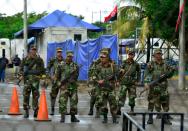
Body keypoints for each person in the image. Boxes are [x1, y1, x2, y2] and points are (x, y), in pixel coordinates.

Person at [144, 49, 175, 125]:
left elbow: (169, 76)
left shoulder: (166, 64)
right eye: (157, 54)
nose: (158, 55)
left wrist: (172, 71)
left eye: (160, 54)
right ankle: (150, 118)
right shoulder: (150, 64)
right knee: (151, 102)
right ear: (154, 55)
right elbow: (146, 74)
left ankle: (165, 118)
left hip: (163, 87)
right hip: (153, 86)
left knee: (165, 102)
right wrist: (146, 83)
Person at [20, 46, 45, 118]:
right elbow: (21, 69)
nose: (34, 51)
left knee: (36, 96)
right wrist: (21, 75)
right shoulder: (25, 59)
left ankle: (36, 111)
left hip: (36, 81)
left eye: (35, 50)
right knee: (26, 96)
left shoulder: (39, 60)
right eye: (32, 50)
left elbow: (43, 70)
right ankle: (26, 111)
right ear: (30, 50)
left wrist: (43, 78)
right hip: (27, 81)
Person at [94, 50, 118, 123]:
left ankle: (114, 119)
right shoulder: (98, 66)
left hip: (110, 88)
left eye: (103, 57)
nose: (102, 59)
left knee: (113, 104)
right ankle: (105, 118)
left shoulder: (112, 66)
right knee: (103, 105)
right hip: (102, 89)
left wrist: (117, 81)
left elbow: (117, 74)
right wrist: (98, 81)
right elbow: (93, 75)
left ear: (107, 57)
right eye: (101, 57)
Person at [56, 50, 80, 123]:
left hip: (73, 87)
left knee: (74, 102)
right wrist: (59, 85)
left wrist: (73, 79)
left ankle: (73, 117)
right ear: (66, 56)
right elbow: (56, 77)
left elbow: (77, 75)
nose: (70, 58)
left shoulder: (75, 65)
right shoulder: (61, 65)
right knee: (63, 102)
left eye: (71, 56)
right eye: (68, 56)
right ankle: (62, 117)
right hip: (64, 87)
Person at [88, 48, 110, 118]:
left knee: (104, 97)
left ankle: (100, 110)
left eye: (105, 53)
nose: (104, 55)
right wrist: (92, 80)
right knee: (94, 97)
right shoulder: (95, 62)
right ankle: (91, 109)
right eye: (103, 53)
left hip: (106, 83)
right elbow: (90, 72)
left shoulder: (110, 62)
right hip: (96, 82)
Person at [117, 48, 140, 115]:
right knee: (121, 96)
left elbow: (139, 72)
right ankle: (119, 109)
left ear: (134, 55)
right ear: (128, 55)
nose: (131, 56)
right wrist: (118, 80)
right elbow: (119, 72)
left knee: (132, 97)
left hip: (132, 83)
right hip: (124, 82)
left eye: (132, 54)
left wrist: (137, 80)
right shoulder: (124, 62)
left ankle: (132, 110)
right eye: (130, 54)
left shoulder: (136, 64)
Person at [47, 47, 64, 115]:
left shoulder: (64, 60)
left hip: (63, 81)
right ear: (56, 52)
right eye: (58, 52)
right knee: (53, 95)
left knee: (63, 96)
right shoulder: (53, 60)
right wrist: (50, 76)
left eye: (60, 52)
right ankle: (52, 110)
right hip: (55, 80)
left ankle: (62, 110)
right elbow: (48, 68)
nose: (59, 53)